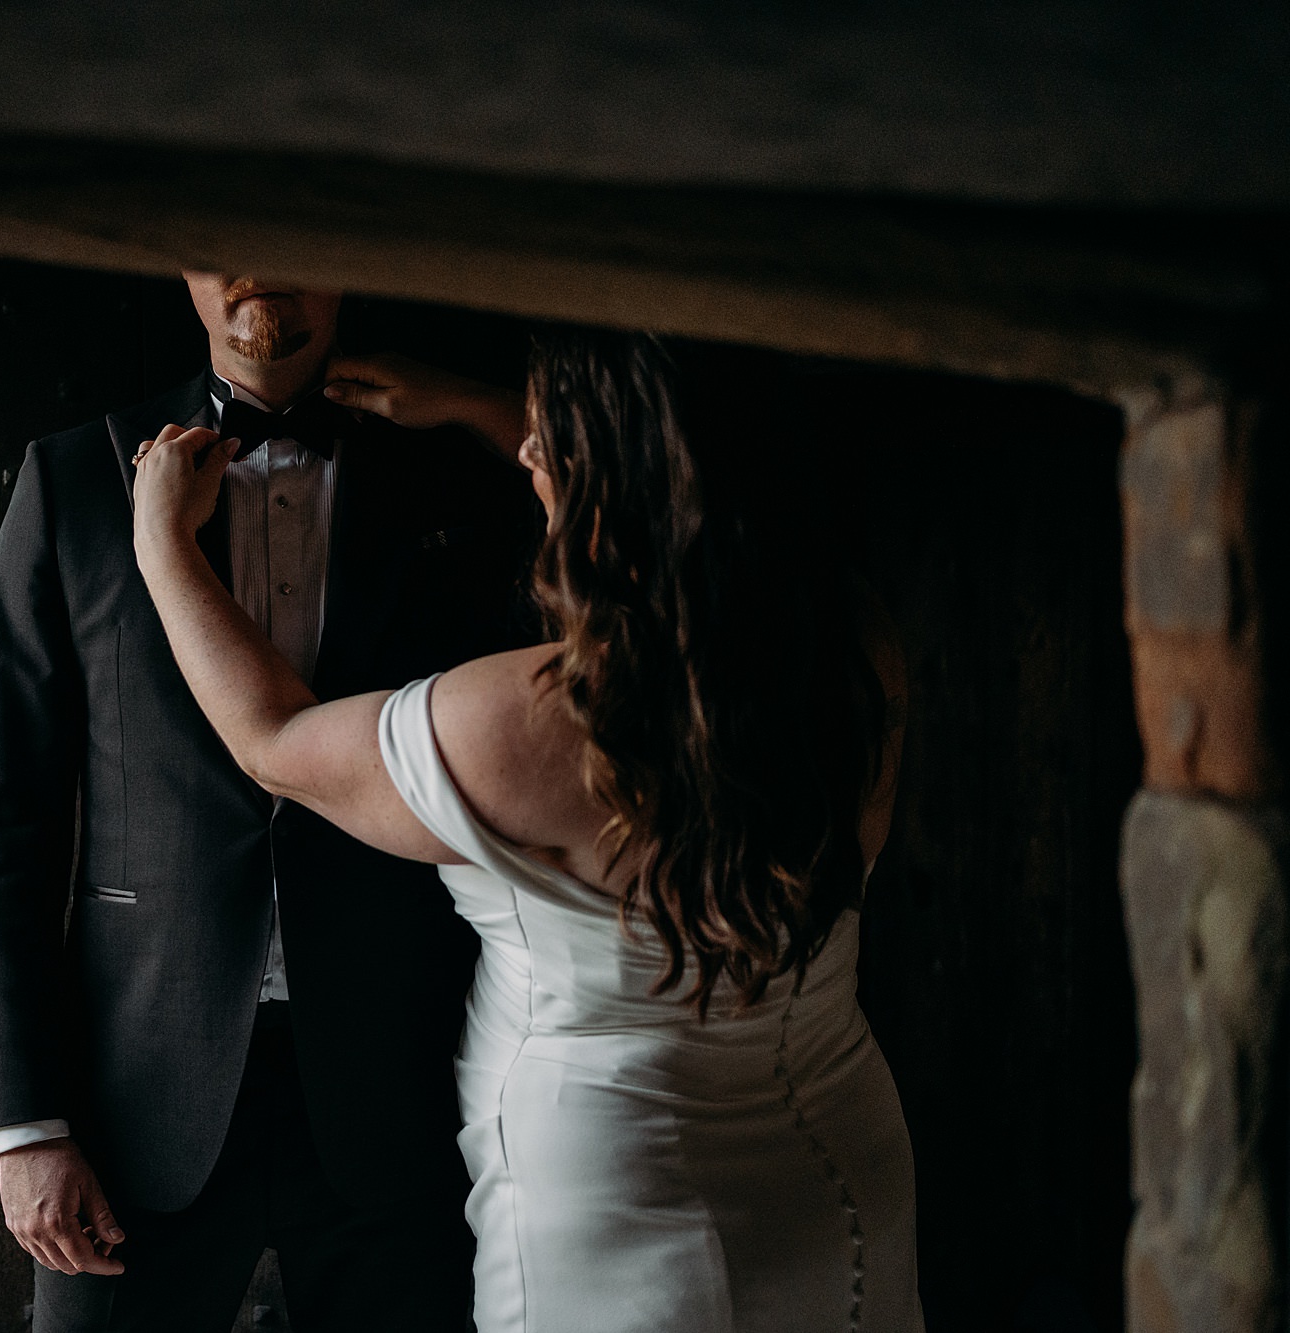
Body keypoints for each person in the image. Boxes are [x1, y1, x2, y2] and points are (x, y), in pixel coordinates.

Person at [131, 327, 925, 1332]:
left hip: (614, 1197)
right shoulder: (850, 643)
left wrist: (160, 543)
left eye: (545, 443)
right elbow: (693, 486)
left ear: (590, 477)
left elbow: (271, 736)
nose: (525, 457)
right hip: (839, 1161)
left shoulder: (517, 724)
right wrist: (477, 401)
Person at [0, 272, 535, 1331]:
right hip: (133, 1102)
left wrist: (474, 404)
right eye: (225, 241)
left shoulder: (454, 474)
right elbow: (5, 818)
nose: (258, 268)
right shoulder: (74, 475)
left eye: (293, 242)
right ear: (180, 264)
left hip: (400, 1088)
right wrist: (24, 1125)